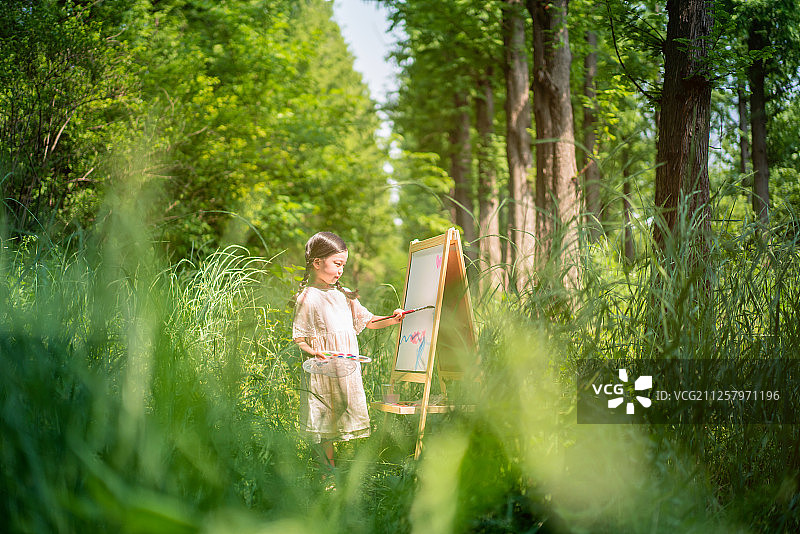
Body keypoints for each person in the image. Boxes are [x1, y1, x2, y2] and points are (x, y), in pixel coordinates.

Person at [292, 231, 402, 480]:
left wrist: (392, 319)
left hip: (346, 368)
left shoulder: (345, 295)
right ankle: (327, 473)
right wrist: (314, 351)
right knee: (324, 420)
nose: (340, 270)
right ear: (317, 263)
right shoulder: (308, 298)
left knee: (346, 414)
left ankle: (352, 471)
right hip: (323, 368)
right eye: (336, 264)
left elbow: (369, 321)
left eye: (343, 265)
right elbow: (299, 338)